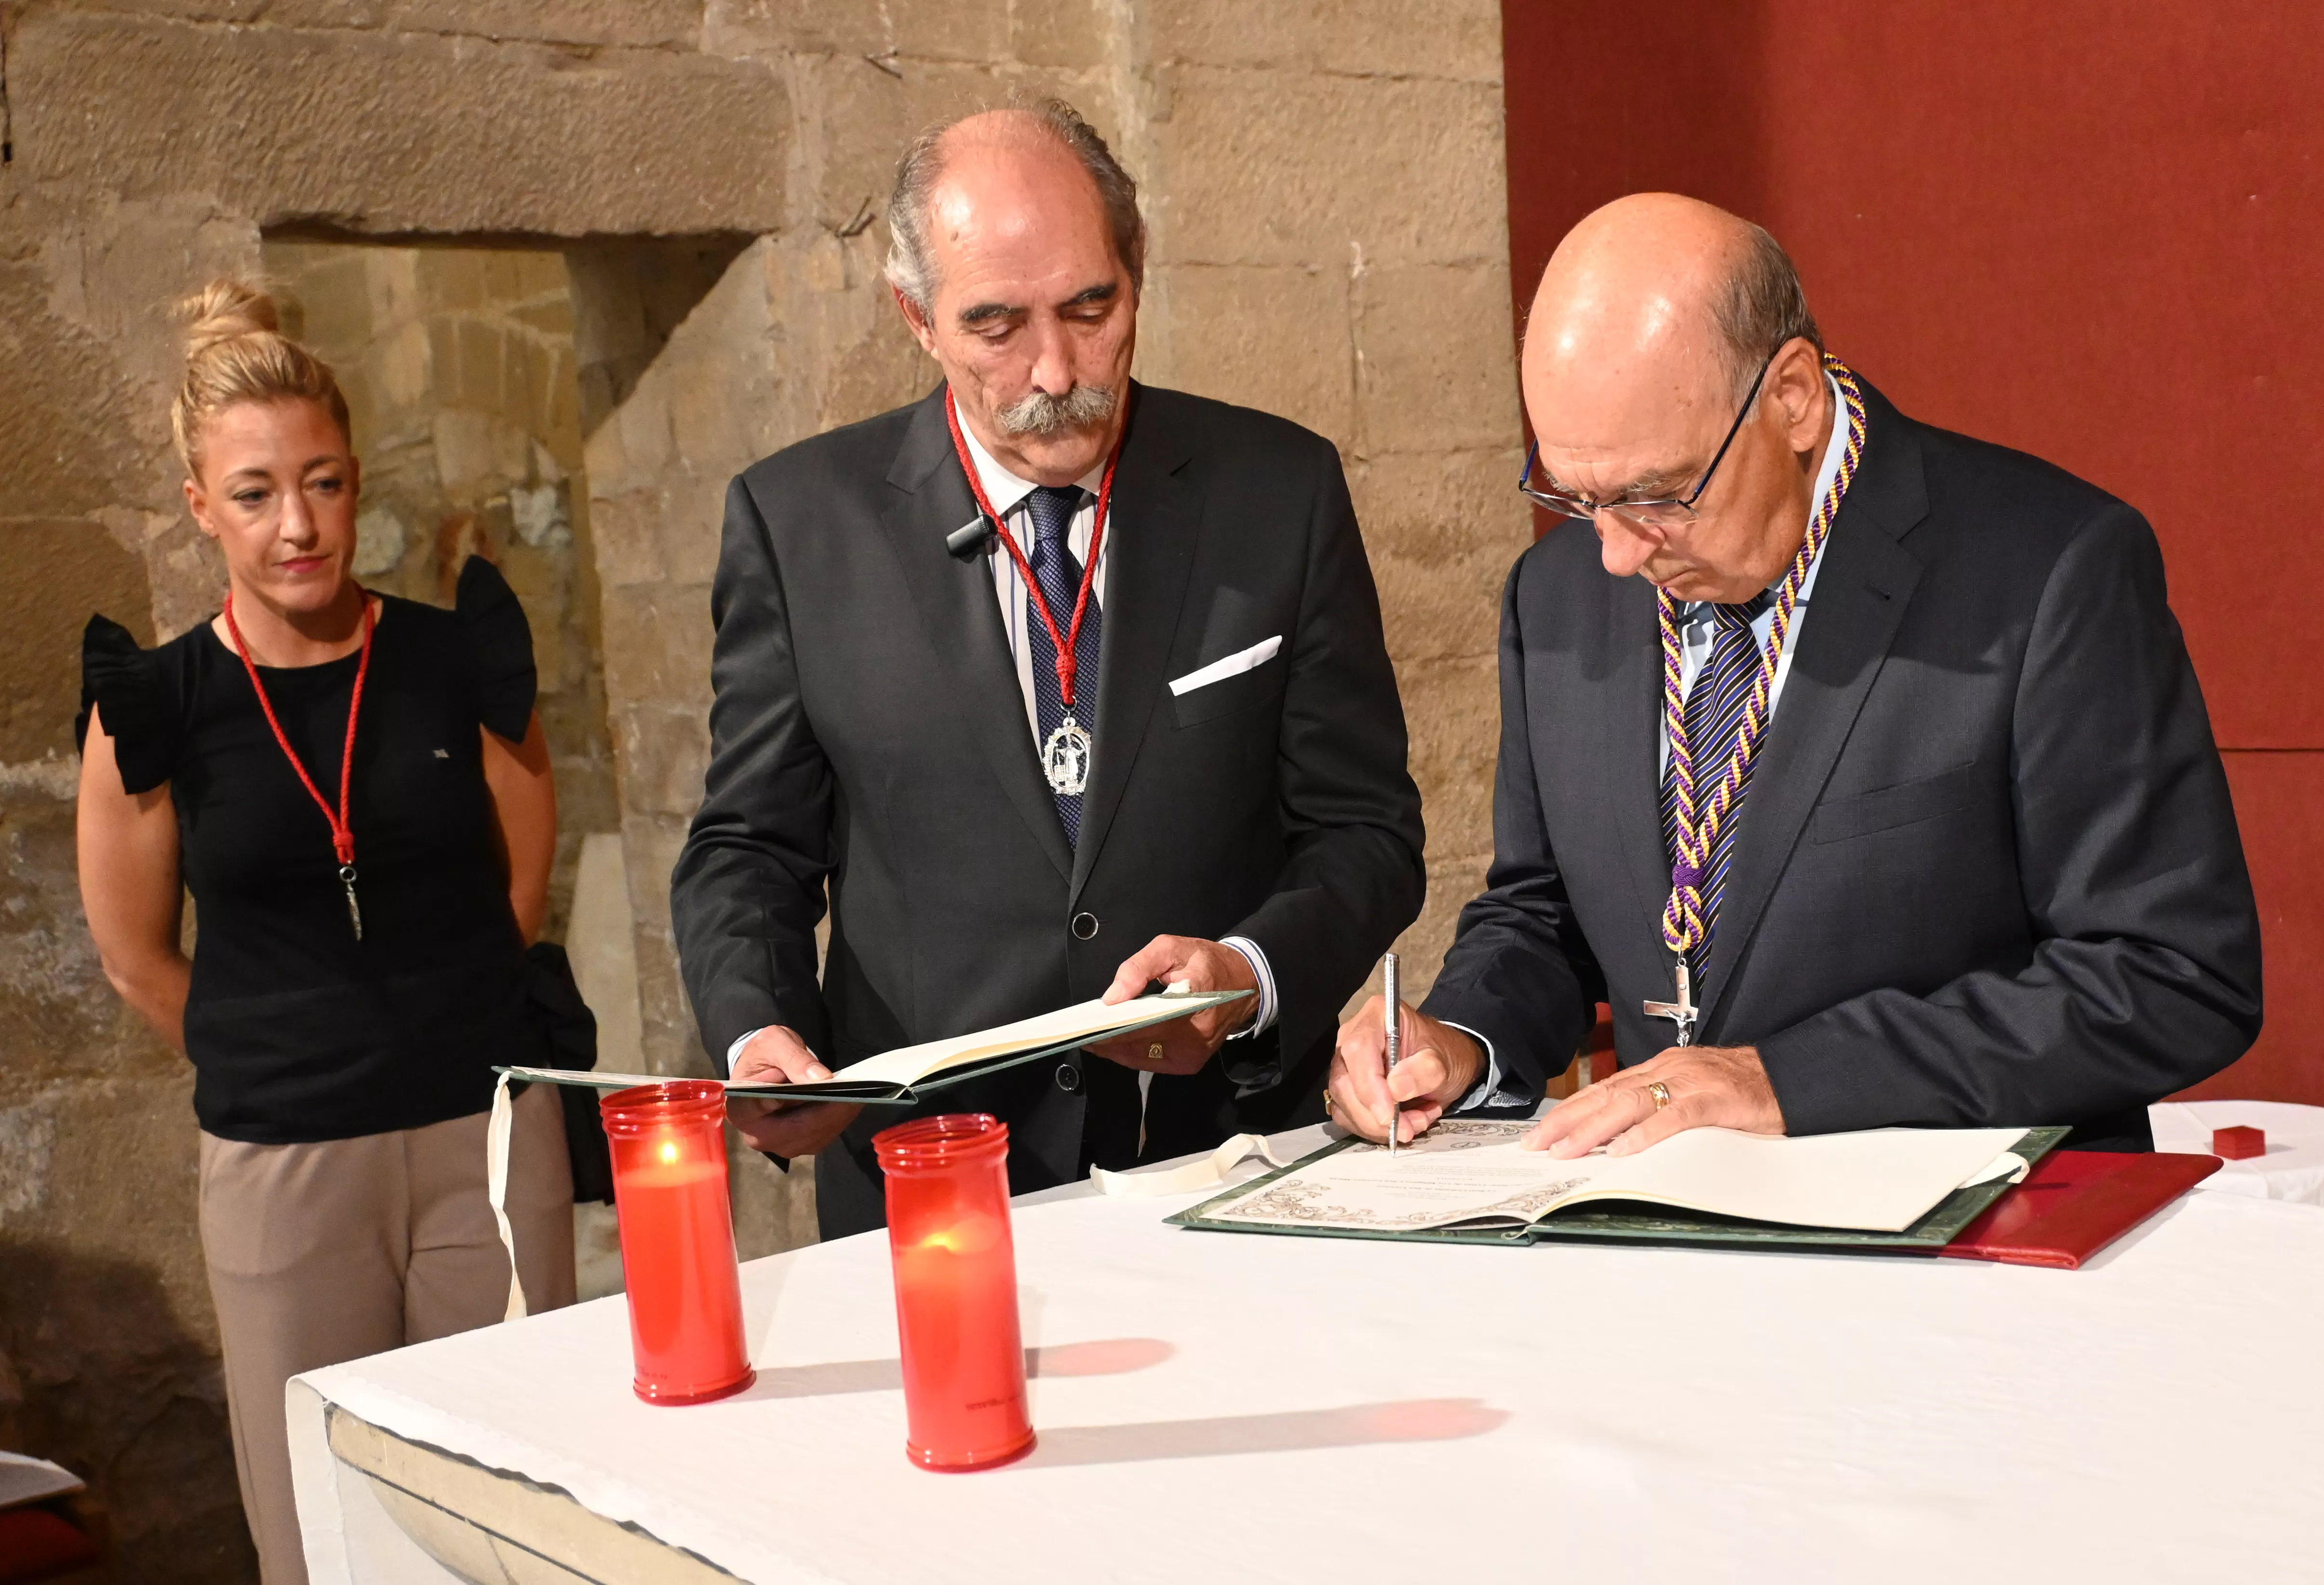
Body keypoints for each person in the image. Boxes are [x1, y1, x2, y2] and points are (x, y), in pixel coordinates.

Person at [1327, 194, 2260, 1158]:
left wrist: (1784, 1079)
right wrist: (1460, 1039)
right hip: (1660, 1220)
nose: (1613, 553)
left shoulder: (2046, 570)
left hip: (1975, 1225)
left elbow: (2171, 975)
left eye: (1656, 494)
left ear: (1792, 398)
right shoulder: (1555, 594)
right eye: (1574, 494)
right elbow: (1542, 910)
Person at [672, 100, 1424, 1238]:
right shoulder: (798, 525)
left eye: (1090, 308)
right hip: (929, 1181)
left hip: (1226, 1160)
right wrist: (760, 1029)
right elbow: (748, 847)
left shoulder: (1280, 491)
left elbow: (1365, 829)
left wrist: (1247, 972)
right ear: (916, 318)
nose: (1057, 368)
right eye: (996, 326)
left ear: (1137, 268)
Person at [75, 282, 576, 1585]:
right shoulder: (159, 700)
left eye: (324, 483)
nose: (296, 525)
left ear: (356, 480)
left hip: (484, 1133)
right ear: (201, 505)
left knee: (524, 1504)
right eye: (254, 493)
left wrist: (429, 1030)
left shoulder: (455, 657)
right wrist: (283, 1050)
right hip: (284, 1162)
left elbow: (521, 880)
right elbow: (134, 955)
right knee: (327, 1527)